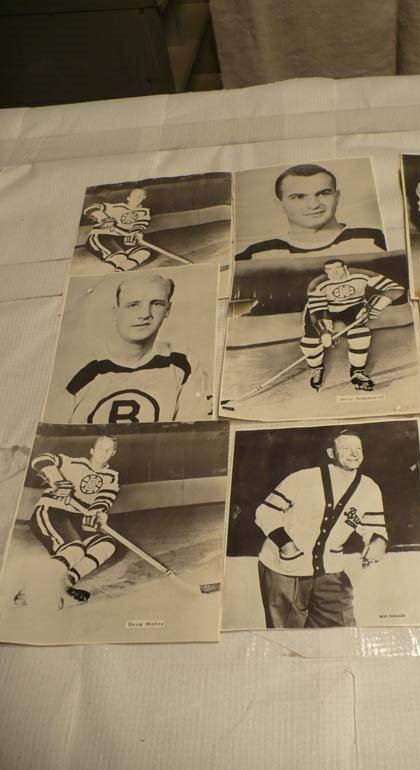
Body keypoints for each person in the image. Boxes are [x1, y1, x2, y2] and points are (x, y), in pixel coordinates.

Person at [255, 430, 388, 628]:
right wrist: (286, 544)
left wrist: (378, 543)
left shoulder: (369, 488)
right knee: (289, 636)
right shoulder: (302, 479)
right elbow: (265, 512)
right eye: (346, 449)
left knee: (342, 631)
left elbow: (375, 527)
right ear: (331, 453)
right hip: (284, 569)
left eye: (358, 449)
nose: (354, 454)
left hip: (330, 570)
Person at [64, 273, 209, 424]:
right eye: (133, 305)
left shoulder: (182, 361)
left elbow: (190, 433)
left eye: (156, 304)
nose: (145, 314)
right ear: (116, 312)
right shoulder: (81, 368)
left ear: (168, 309)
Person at [26, 435, 120, 605]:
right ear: (92, 450)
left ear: (113, 454)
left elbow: (104, 499)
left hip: (77, 519)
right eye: (101, 448)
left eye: (109, 449)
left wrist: (97, 513)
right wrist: (56, 479)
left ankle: (65, 582)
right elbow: (40, 458)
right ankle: (36, 587)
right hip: (53, 511)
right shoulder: (73, 462)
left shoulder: (112, 477)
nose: (104, 452)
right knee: (75, 549)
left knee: (106, 544)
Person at [235, 163, 387, 261]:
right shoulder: (257, 254)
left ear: (337, 196)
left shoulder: (374, 240)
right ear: (279, 204)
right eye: (299, 197)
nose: (313, 205)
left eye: (323, 193)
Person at [300, 258, 404, 391]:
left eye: (337, 268)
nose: (334, 272)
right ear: (325, 271)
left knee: (361, 336)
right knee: (310, 343)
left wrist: (374, 306)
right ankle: (317, 368)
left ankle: (357, 372)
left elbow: (396, 288)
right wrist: (324, 331)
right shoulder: (317, 284)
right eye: (329, 270)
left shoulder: (362, 274)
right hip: (325, 310)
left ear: (345, 267)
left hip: (353, 308)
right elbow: (318, 309)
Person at [84, 187, 153, 271]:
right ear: (128, 198)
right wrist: (103, 218)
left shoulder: (144, 213)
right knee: (119, 256)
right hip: (103, 236)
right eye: (134, 195)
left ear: (144, 198)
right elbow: (90, 208)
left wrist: (135, 234)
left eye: (140, 196)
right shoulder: (116, 207)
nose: (137, 198)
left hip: (121, 239)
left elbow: (139, 226)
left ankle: (118, 272)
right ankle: (99, 274)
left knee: (144, 252)